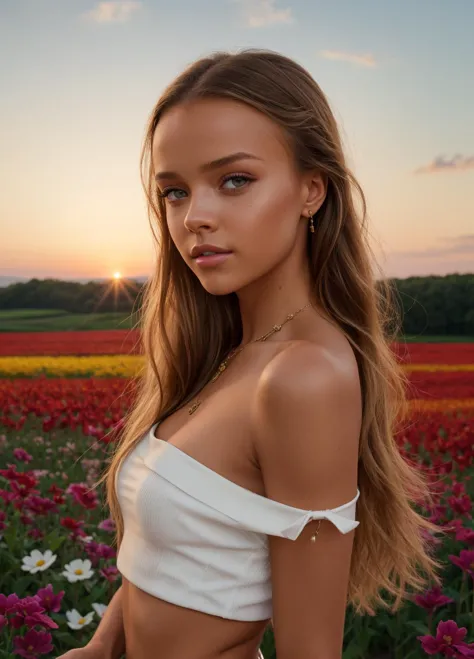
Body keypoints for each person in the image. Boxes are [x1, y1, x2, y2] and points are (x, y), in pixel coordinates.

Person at [58, 48, 443, 659]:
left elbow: (309, 652)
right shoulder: (225, 356)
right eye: (175, 192)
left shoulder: (303, 377)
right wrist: (101, 648)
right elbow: (168, 556)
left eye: (234, 180)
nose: (195, 217)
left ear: (311, 189)